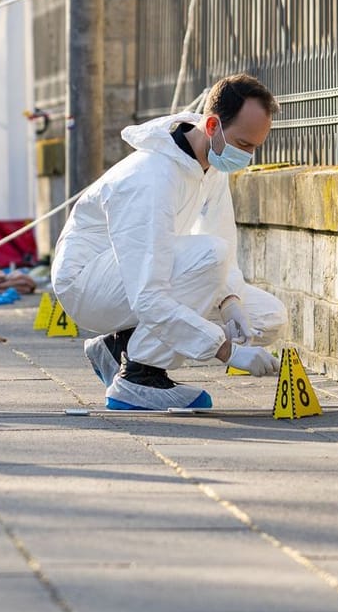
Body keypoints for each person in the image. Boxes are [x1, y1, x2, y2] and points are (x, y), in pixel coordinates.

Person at [49, 73, 289, 410]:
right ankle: (138, 376)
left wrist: (231, 301)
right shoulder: (151, 179)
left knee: (266, 316)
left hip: (136, 277)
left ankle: (119, 346)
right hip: (88, 285)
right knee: (209, 255)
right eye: (243, 145)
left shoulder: (212, 166)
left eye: (254, 146)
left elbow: (220, 237)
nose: (247, 156)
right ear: (212, 126)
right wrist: (228, 352)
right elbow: (148, 295)